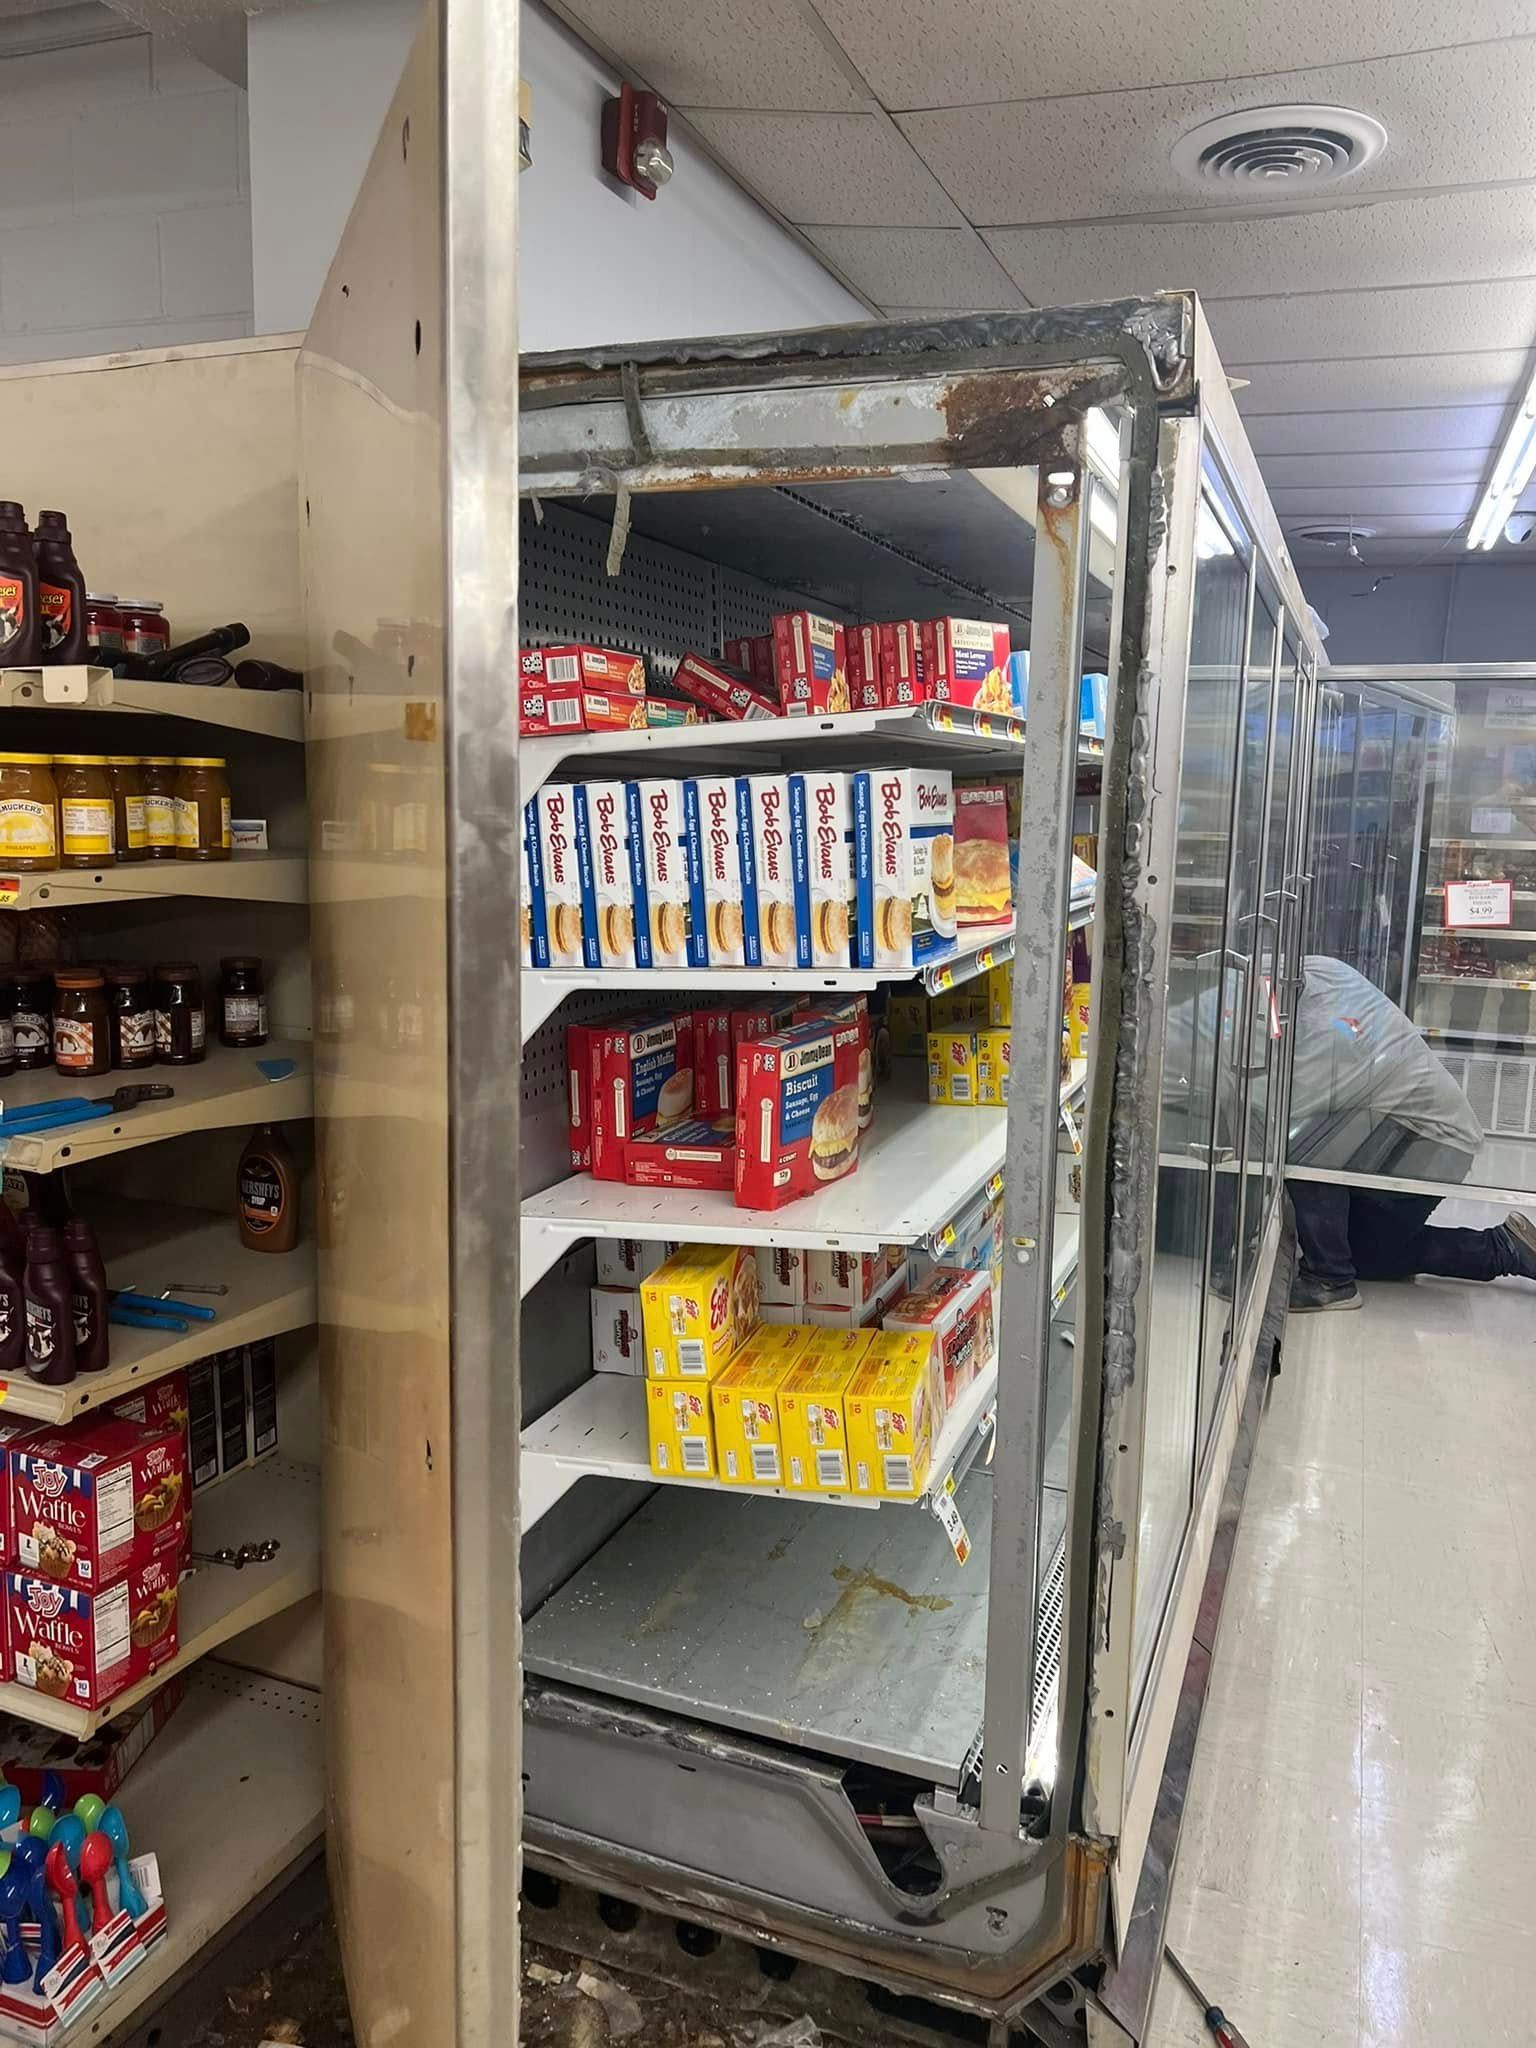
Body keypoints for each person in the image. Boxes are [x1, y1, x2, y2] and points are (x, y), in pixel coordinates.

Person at [1285, 955, 1536, 1310]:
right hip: (1416, 1130)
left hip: (1429, 1142)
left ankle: (1328, 1279)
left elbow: (1294, 1112)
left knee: (1304, 1146)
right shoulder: (1321, 973)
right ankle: (1507, 1247)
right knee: (1367, 1254)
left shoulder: (1326, 1028)